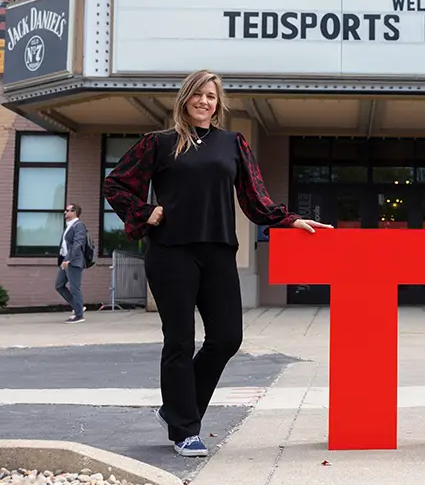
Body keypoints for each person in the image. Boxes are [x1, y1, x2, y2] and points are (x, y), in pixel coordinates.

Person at [102, 69, 332, 458]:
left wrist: (289, 219)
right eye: (198, 94)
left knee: (227, 337)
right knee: (179, 339)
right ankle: (184, 430)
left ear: (218, 103)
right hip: (171, 251)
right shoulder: (158, 143)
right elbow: (116, 184)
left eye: (211, 96)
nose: (204, 101)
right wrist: (144, 213)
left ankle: (176, 409)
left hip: (218, 250)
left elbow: (254, 197)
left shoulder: (232, 143)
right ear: (185, 98)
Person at [55, 203, 88, 324]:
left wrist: (68, 259)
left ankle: (79, 316)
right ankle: (77, 306)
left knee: (75, 288)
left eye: (68, 210)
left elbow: (77, 244)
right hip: (65, 260)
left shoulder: (79, 226)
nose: (65, 212)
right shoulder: (69, 226)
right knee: (59, 285)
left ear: (74, 212)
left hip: (73, 261)